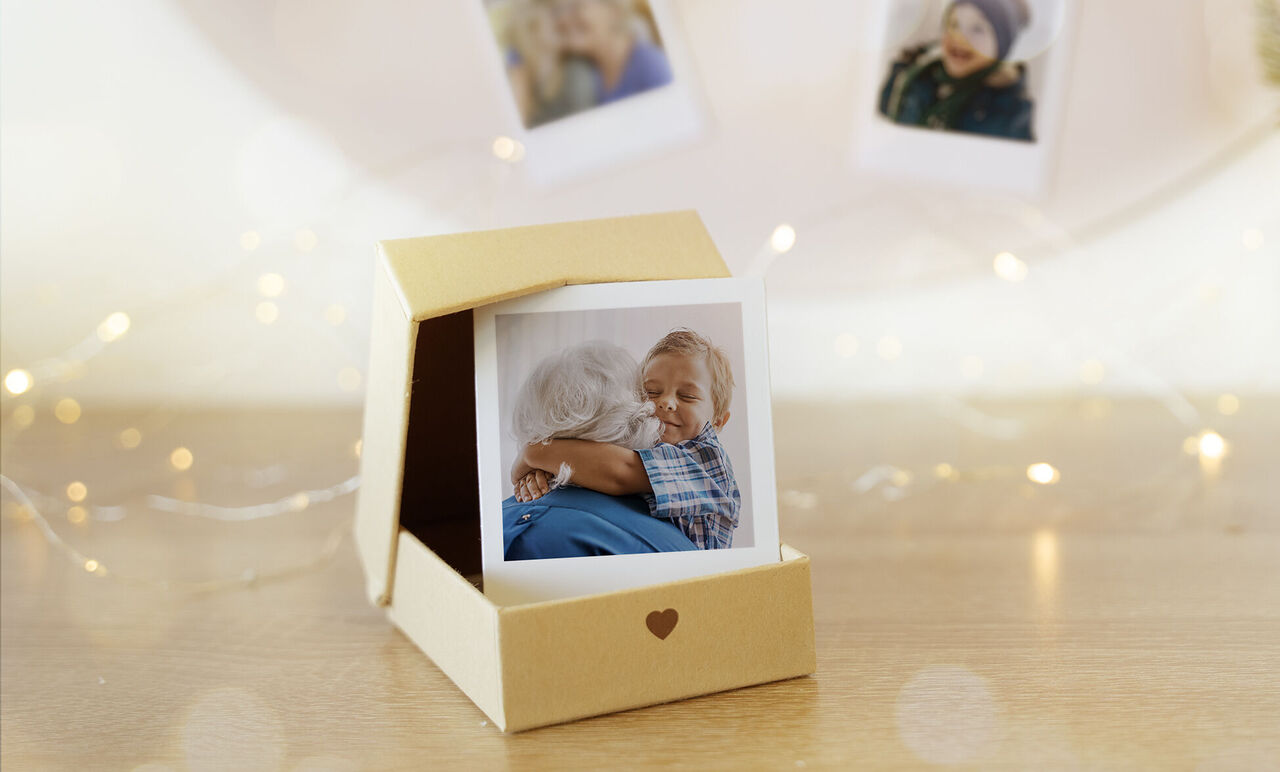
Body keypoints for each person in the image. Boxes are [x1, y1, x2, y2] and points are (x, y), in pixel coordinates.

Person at [513, 329, 741, 550]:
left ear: (719, 421)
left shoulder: (707, 460)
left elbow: (619, 472)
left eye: (687, 396)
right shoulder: (644, 448)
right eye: (652, 392)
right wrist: (541, 472)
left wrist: (532, 454)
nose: (665, 403)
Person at [878, 0, 1036, 141]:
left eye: (977, 29)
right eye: (954, 25)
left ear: (1001, 46)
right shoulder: (918, 72)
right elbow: (885, 110)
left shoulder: (1010, 109)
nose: (960, 38)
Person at [552, 0, 673, 106]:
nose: (564, 19)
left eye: (576, 7)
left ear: (614, 11)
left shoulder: (652, 66)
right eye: (560, 11)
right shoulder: (583, 70)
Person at [503, 0, 597, 128]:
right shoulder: (519, 72)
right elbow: (514, 125)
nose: (563, 20)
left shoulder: (577, 72)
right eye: (555, 14)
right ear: (533, 28)